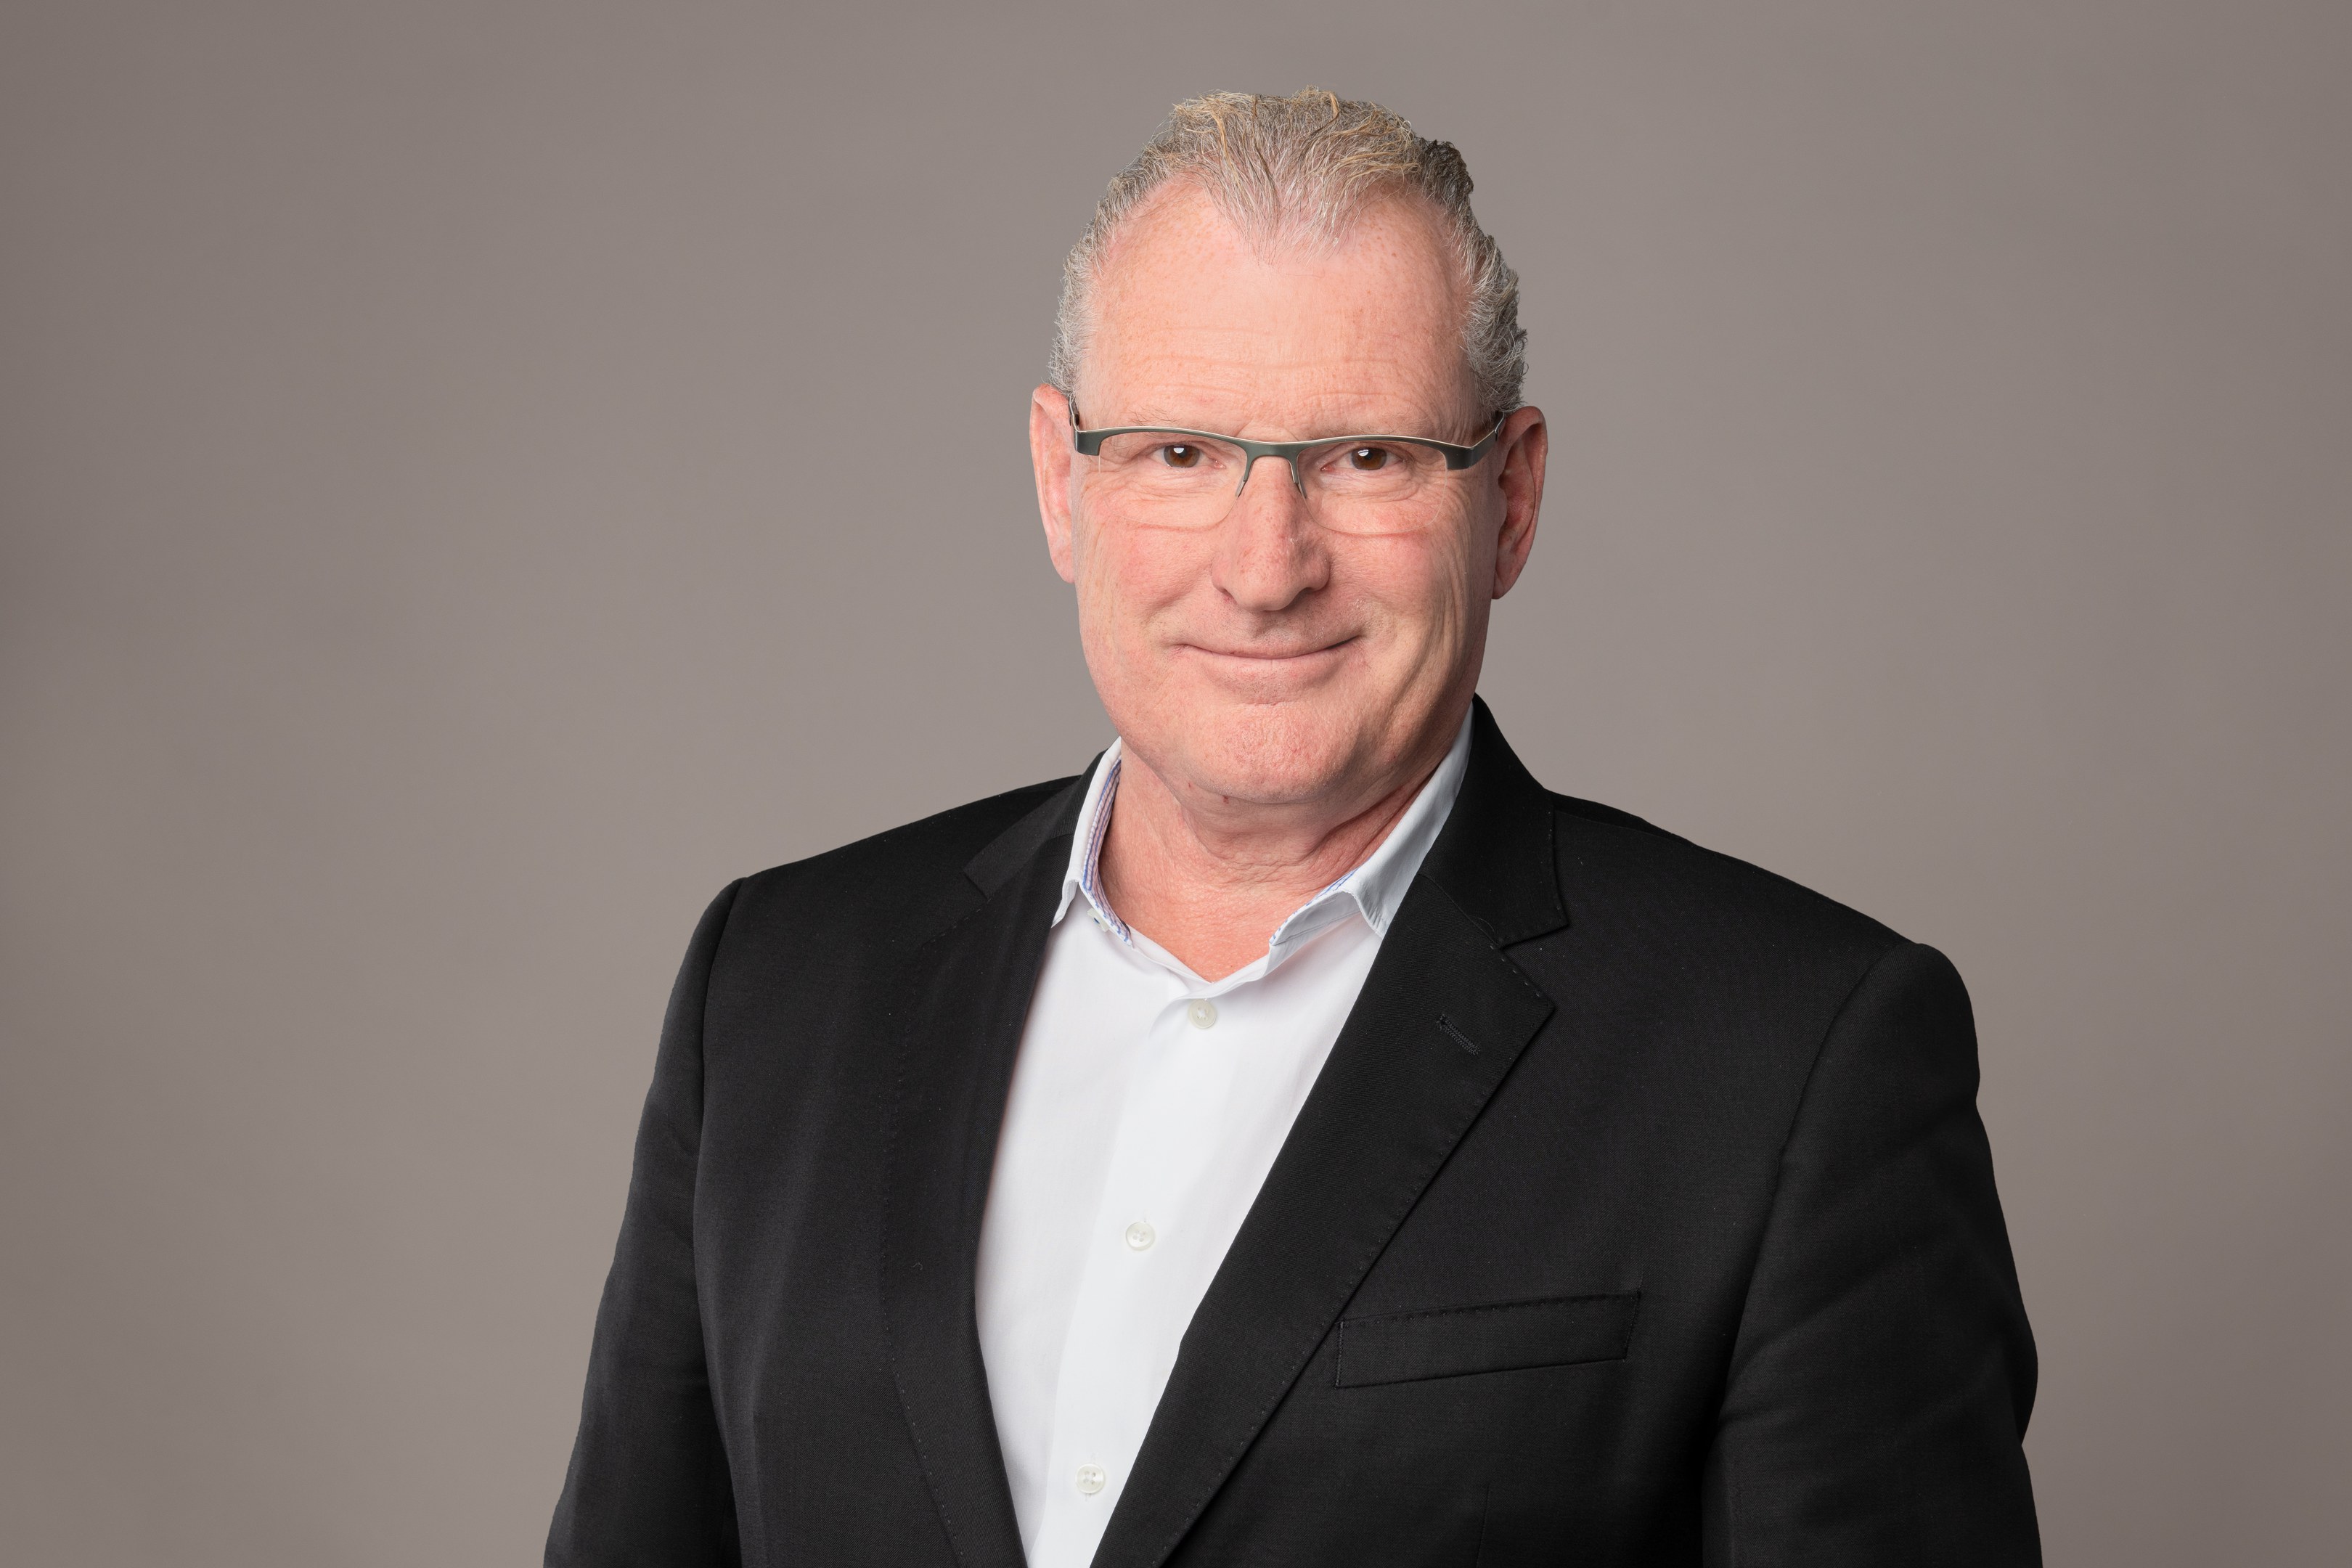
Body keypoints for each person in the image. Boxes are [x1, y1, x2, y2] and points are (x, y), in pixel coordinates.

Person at [546, 89, 2040, 1568]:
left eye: (1367, 457)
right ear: (1062, 481)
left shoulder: (1791, 1060)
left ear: (1512, 500)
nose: (1267, 569)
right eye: (1179, 453)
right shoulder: (776, 987)